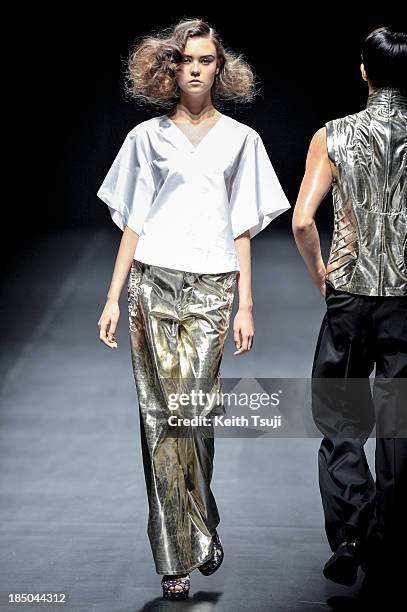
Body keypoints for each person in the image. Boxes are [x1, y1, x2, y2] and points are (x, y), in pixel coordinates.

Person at [96, 18, 290, 600]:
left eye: (207, 59)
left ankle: (201, 521)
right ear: (171, 68)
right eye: (187, 59)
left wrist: (246, 304)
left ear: (219, 67)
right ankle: (175, 555)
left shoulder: (241, 140)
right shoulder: (145, 138)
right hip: (152, 283)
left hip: (212, 288)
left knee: (195, 414)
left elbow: (243, 228)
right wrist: (112, 296)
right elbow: (132, 220)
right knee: (159, 421)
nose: (198, 68)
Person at [292, 26, 406, 602]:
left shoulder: (333, 136)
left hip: (351, 293)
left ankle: (354, 536)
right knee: (399, 423)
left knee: (340, 418)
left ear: (364, 71)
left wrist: (322, 277)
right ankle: (390, 548)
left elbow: (303, 220)